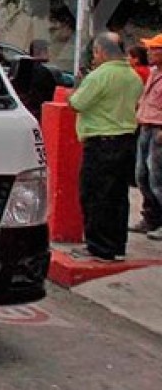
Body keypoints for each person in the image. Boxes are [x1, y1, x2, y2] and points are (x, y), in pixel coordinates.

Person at [67, 32, 144, 261]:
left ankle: (99, 247)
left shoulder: (99, 76)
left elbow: (77, 103)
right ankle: (117, 245)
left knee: (95, 195)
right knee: (118, 196)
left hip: (101, 142)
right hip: (126, 140)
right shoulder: (132, 76)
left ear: (101, 51)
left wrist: (75, 91)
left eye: (95, 52)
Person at [131, 33, 162, 239]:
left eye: (154, 49)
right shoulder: (153, 72)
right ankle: (151, 218)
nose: (149, 52)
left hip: (158, 130)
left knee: (157, 178)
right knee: (142, 175)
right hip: (145, 127)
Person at [13, 39, 58, 123]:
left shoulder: (23, 69)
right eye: (47, 50)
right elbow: (52, 94)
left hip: (26, 110)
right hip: (39, 112)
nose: (50, 54)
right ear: (41, 52)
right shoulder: (44, 72)